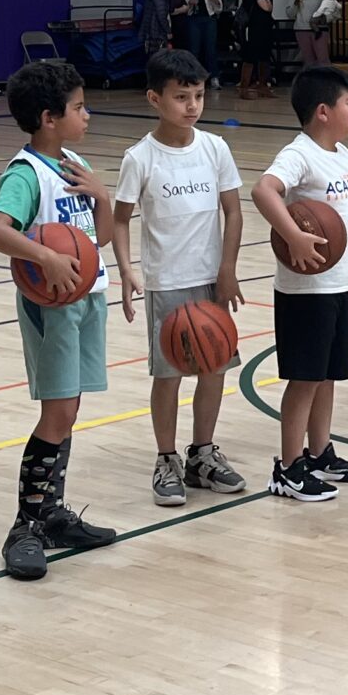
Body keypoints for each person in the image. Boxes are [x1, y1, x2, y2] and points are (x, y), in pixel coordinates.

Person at [0, 59, 122, 579]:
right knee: (56, 415)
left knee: (70, 411)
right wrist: (45, 258)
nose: (88, 114)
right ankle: (25, 525)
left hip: (88, 298)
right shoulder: (26, 173)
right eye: (80, 107)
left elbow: (98, 238)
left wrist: (102, 195)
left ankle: (51, 513)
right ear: (48, 117)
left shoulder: (72, 163)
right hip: (52, 308)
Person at [113, 48, 247, 510]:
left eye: (198, 95)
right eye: (181, 97)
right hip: (167, 283)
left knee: (214, 369)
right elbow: (120, 218)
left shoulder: (215, 148)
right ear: (155, 98)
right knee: (168, 375)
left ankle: (202, 454)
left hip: (211, 279)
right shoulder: (140, 157)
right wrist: (128, 270)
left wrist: (228, 270)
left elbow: (233, 210)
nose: (192, 105)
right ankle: (166, 458)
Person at [253, 65, 348, 501]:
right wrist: (293, 234)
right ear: (324, 111)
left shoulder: (342, 153)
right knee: (305, 379)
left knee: (327, 377)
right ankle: (287, 468)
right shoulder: (299, 154)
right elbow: (264, 190)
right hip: (306, 291)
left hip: (339, 284)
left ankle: (320, 451)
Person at [237, 0, 278, 100]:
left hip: (265, 25)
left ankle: (263, 85)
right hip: (254, 26)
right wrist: (266, 3)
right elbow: (265, 6)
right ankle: (244, 86)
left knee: (265, 56)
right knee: (251, 55)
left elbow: (269, 6)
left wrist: (266, 3)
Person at [180, 0, 224, 86]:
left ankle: (214, 77)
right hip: (193, 20)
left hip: (209, 20)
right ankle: (193, 77)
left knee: (210, 49)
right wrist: (191, 1)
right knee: (194, 49)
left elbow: (219, 9)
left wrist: (215, 1)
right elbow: (185, 3)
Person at [292, 0, 339, 68]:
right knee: (308, 60)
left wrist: (325, 18)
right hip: (302, 30)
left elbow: (335, 12)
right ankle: (311, 81)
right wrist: (295, 5)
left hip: (321, 29)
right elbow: (290, 14)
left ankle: (325, 80)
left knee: (322, 58)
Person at [141, 0, 179, 66]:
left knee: (153, 60)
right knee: (161, 61)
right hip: (157, 33)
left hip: (150, 32)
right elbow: (161, 15)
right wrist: (168, 31)